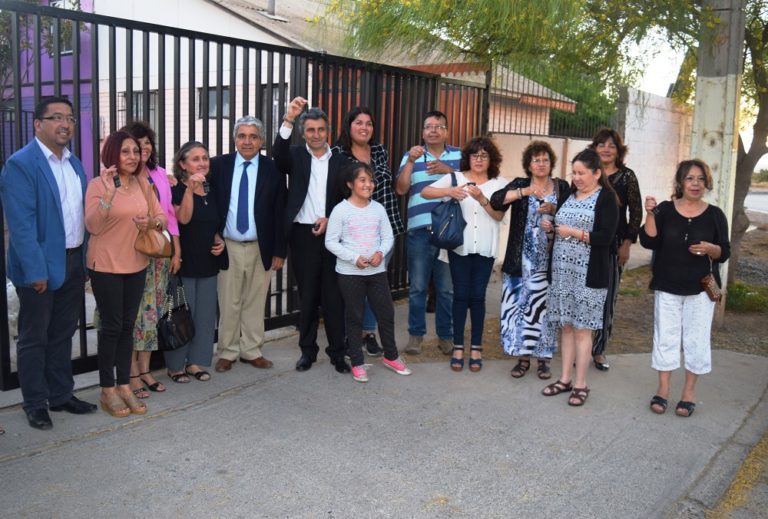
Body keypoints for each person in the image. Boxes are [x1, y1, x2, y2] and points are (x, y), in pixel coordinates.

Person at [0, 96, 96, 430]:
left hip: (72, 262)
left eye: (69, 118)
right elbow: (21, 226)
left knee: (62, 333)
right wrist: (35, 271)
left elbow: (79, 217)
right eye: (56, 117)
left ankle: (61, 394)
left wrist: (83, 261)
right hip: (38, 268)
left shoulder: (74, 163)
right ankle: (35, 402)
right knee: (34, 337)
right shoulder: (21, 164)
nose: (65, 124)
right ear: (38, 124)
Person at [85, 130, 167, 417]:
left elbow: (162, 216)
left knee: (127, 328)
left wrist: (152, 223)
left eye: (135, 151)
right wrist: (108, 196)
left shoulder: (143, 184)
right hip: (106, 266)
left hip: (137, 264)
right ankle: (107, 389)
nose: (132, 157)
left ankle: (124, 385)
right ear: (112, 155)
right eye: (125, 152)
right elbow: (93, 226)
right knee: (112, 327)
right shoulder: (98, 184)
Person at [640, 159, 729, 417]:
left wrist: (712, 249)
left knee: (696, 341)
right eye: (690, 178)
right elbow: (648, 240)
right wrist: (650, 213)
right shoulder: (665, 210)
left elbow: (725, 251)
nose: (695, 184)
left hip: (701, 290)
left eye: (700, 179)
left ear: (706, 183)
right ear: (681, 182)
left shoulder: (715, 215)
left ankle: (689, 393)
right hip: (667, 286)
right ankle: (663, 390)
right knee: (665, 338)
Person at [273, 97, 350, 373]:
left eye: (320, 130)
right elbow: (277, 155)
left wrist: (332, 219)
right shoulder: (294, 156)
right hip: (302, 237)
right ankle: (307, 351)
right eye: (310, 130)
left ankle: (338, 352)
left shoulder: (341, 160)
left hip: (332, 235)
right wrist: (289, 118)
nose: (316, 135)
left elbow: (348, 198)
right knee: (307, 298)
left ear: (327, 131)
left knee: (333, 297)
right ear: (303, 132)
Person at [540, 148, 618, 407]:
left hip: (589, 274)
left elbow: (606, 238)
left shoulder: (606, 198)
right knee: (566, 326)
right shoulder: (568, 195)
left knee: (583, 330)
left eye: (582, 173)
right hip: (563, 273)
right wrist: (551, 226)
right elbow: (561, 225)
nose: (576, 178)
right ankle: (564, 379)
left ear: (597, 173)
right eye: (573, 172)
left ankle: (581, 383)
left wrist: (574, 233)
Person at [422, 136, 505, 372]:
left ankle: (476, 347)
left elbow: (498, 216)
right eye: (475, 155)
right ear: (467, 157)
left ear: (491, 159)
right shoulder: (455, 178)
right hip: (460, 247)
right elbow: (426, 192)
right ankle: (458, 346)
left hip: (486, 248)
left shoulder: (499, 183)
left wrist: (482, 199)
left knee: (477, 297)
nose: (479, 159)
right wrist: (451, 191)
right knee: (460, 296)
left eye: (484, 155)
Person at [210, 116, 286, 373]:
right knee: (229, 301)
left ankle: (251, 350)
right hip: (228, 245)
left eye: (253, 136)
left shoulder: (272, 169)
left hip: (260, 246)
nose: (247, 141)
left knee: (255, 300)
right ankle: (227, 351)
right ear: (235, 139)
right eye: (242, 136)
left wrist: (279, 250)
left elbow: (280, 211)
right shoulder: (218, 165)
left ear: (262, 141)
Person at [490, 141, 570, 380]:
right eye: (536, 160)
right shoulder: (520, 185)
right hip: (519, 262)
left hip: (549, 264)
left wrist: (554, 209)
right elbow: (496, 200)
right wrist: (524, 192)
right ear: (528, 164)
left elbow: (572, 214)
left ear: (551, 163)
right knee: (519, 309)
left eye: (545, 160)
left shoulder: (562, 187)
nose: (541, 164)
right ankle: (522, 358)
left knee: (545, 311)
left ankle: (544, 359)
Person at [325, 163, 412, 382]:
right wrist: (354, 258)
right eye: (362, 180)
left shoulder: (378, 209)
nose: (368, 184)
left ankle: (391, 356)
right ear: (350, 184)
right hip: (349, 273)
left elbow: (388, 237)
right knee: (354, 316)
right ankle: (356, 362)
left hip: (376, 272)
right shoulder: (340, 210)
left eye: (371, 180)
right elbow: (331, 242)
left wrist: (380, 254)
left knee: (386, 314)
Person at [333, 107, 405, 356]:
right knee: (354, 288)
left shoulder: (379, 150)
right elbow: (334, 191)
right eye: (358, 122)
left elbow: (389, 184)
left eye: (369, 123)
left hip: (385, 227)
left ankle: (369, 333)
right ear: (348, 125)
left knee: (377, 286)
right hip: (353, 232)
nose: (364, 127)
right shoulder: (338, 153)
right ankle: (351, 337)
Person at [120, 121, 180, 396]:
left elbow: (168, 216)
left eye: (146, 143)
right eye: (135, 144)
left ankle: (145, 370)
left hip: (158, 255)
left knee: (152, 312)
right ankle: (130, 373)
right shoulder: (118, 178)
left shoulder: (159, 175)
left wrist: (176, 250)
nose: (141, 149)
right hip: (130, 256)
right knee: (133, 315)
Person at [394, 110, 460, 356]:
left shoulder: (459, 155)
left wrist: (448, 170)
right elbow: (401, 189)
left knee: (446, 288)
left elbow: (471, 183)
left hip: (449, 230)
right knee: (418, 287)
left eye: (438, 126)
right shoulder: (411, 156)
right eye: (428, 126)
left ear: (446, 131)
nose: (433, 130)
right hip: (419, 230)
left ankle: (446, 336)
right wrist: (410, 162)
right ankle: (415, 336)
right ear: (422, 132)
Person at [165, 141, 225, 383]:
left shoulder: (211, 188)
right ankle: (176, 365)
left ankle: (196, 362)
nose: (202, 163)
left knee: (205, 315)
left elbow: (214, 221)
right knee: (182, 314)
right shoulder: (175, 189)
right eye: (195, 159)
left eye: (205, 158)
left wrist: (218, 238)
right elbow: (184, 219)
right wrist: (190, 189)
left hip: (208, 261)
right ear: (182, 164)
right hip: (185, 262)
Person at [589, 128, 642, 371]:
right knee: (585, 297)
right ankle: (582, 345)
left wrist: (627, 244)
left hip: (613, 245)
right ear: (595, 148)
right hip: (584, 242)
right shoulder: (587, 173)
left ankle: (599, 350)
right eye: (601, 144)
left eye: (611, 145)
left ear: (619, 150)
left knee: (607, 299)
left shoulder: (627, 176)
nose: (606, 149)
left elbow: (636, 212)